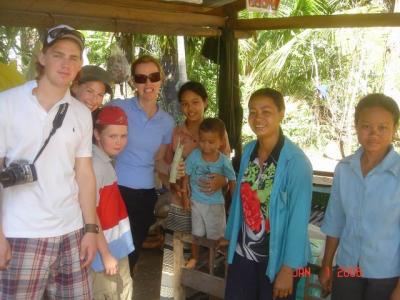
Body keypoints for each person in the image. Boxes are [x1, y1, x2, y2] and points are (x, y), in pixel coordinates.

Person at [0, 24, 97, 299]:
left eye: (74, 57)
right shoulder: (6, 104)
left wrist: (90, 229)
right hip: (21, 231)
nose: (66, 64)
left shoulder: (81, 113)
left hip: (72, 230)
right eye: (58, 54)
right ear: (42, 57)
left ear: (80, 65)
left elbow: (85, 174)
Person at [224, 87, 313, 300]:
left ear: (281, 113)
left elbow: (298, 219)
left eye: (266, 111)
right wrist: (230, 236)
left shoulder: (296, 162)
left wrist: (288, 269)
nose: (258, 118)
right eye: (252, 112)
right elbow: (239, 200)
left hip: (278, 258)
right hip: (244, 253)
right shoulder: (249, 151)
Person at [319, 93, 400, 300]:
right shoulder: (345, 169)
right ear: (356, 127)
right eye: (366, 126)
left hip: (386, 273)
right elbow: (335, 220)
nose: (373, 133)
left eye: (382, 127)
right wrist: (327, 264)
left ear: (395, 129)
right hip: (348, 267)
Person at [159, 80, 231, 300]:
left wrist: (223, 181)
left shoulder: (218, 130)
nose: (190, 108)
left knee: (211, 254)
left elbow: (226, 169)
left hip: (210, 205)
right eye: (185, 103)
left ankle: (210, 295)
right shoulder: (177, 133)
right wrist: (175, 183)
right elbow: (168, 168)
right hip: (181, 204)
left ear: (205, 103)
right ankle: (171, 296)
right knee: (177, 258)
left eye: (195, 102)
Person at [109, 55, 175, 269]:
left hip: (146, 194)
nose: (148, 83)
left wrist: (177, 171)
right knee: (110, 251)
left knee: (133, 251)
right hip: (115, 189)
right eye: (141, 78)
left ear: (161, 79)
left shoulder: (166, 121)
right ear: (133, 82)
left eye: (153, 77)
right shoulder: (118, 107)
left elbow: (158, 161)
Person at [90, 106, 135, 299]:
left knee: (123, 290)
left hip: (115, 246)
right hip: (104, 253)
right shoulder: (95, 165)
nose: (119, 142)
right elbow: (90, 214)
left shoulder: (105, 161)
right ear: (97, 135)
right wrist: (106, 255)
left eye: (123, 136)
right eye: (113, 136)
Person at [182, 117, 236, 268]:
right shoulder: (194, 156)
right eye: (202, 140)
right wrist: (185, 196)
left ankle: (215, 262)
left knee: (216, 237)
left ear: (221, 142)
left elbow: (232, 180)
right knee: (196, 233)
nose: (206, 145)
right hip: (196, 203)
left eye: (211, 142)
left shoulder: (224, 161)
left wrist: (234, 203)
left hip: (215, 205)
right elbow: (185, 176)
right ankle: (194, 257)